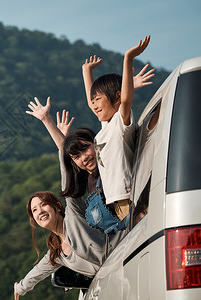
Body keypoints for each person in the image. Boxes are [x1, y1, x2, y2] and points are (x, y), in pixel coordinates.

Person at [13, 99, 127, 299]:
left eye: (43, 205)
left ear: (58, 206)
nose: (40, 211)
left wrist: (47, 121)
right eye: (34, 210)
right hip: (112, 283)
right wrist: (20, 288)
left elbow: (67, 168)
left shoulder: (74, 214)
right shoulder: (57, 254)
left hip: (125, 255)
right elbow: (37, 274)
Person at [81, 36, 152, 230]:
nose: (94, 105)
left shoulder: (120, 123)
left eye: (98, 99)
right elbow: (90, 102)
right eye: (93, 100)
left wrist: (128, 58)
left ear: (117, 97)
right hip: (115, 202)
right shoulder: (106, 126)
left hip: (129, 197)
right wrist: (86, 71)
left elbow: (127, 98)